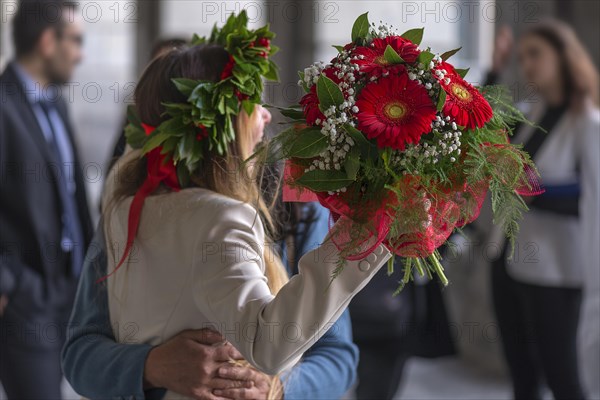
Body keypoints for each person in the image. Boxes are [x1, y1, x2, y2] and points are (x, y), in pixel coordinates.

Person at [66, 25, 391, 400]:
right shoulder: (223, 218)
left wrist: (280, 388)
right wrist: (367, 231)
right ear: (226, 123)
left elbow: (337, 355)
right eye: (252, 103)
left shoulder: (127, 207)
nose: (266, 118)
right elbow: (269, 345)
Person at [63, 201, 362, 399]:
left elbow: (338, 358)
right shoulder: (136, 208)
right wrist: (151, 366)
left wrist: (278, 389)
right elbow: (79, 356)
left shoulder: (301, 213)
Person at [486, 20, 600, 400]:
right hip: (505, 257)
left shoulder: (588, 121)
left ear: (564, 56)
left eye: (536, 54)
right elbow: (482, 128)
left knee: (562, 378)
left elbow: (592, 196)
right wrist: (495, 68)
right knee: (520, 374)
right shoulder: (530, 113)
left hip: (557, 270)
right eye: (522, 57)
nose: (528, 65)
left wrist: (536, 192)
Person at [0, 0, 93, 398]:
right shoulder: (3, 105)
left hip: (70, 291)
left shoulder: (54, 102)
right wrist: (9, 283)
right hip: (27, 295)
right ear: (46, 41)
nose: (80, 53)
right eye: (73, 40)